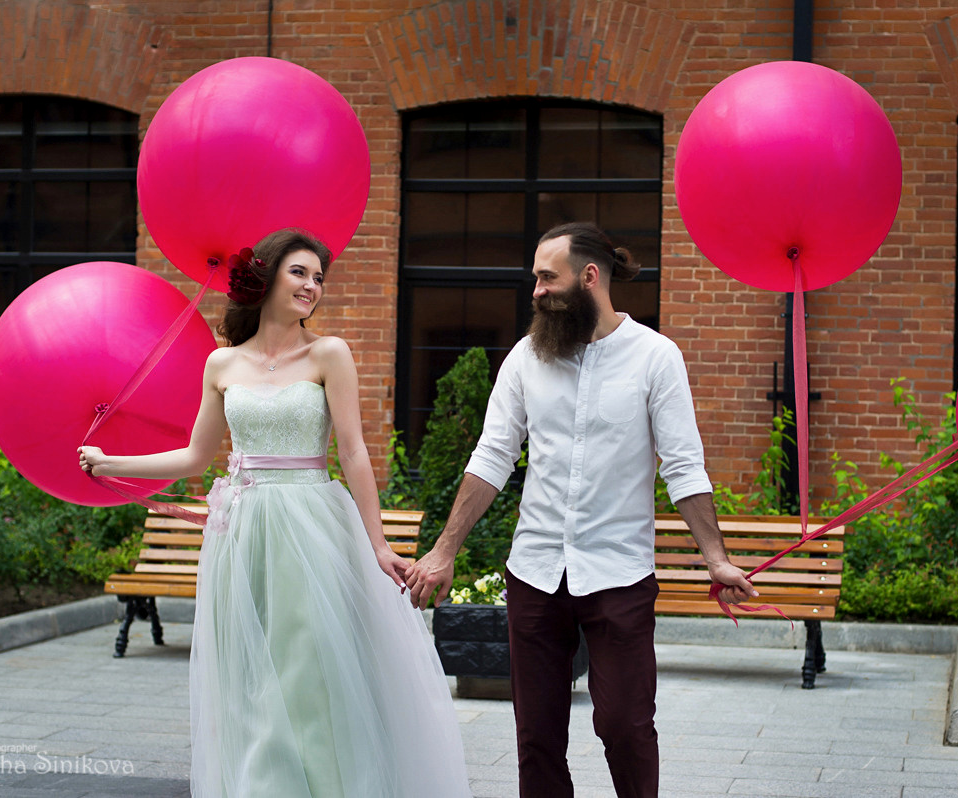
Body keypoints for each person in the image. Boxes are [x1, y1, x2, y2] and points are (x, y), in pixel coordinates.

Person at [79, 228, 470, 798]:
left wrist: (378, 543)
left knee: (305, 670)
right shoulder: (221, 363)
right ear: (265, 277)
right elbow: (194, 456)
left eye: (319, 277)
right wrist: (111, 462)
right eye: (300, 272)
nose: (312, 286)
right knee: (248, 676)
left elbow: (354, 453)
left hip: (310, 526)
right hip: (241, 532)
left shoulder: (329, 354)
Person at [405, 222, 757, 798]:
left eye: (548, 278)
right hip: (535, 572)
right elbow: (492, 456)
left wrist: (715, 559)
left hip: (619, 573)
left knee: (625, 725)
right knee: (536, 738)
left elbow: (683, 465)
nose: (537, 291)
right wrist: (444, 552)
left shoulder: (655, 357)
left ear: (589, 277)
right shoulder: (526, 357)